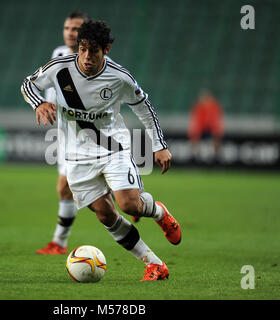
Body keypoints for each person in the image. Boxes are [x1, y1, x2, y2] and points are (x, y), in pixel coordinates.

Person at [21, 20, 181, 281]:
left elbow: (144, 108)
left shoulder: (120, 77)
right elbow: (28, 84)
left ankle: (160, 213)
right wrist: (39, 103)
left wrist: (160, 145)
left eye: (93, 50)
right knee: (106, 215)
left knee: (130, 204)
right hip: (75, 157)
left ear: (105, 50)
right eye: (82, 49)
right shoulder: (60, 69)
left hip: (112, 148)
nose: (86, 57)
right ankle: (155, 265)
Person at [36, 10, 90, 255]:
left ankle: (59, 242)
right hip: (64, 134)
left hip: (86, 135)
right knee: (68, 188)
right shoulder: (58, 54)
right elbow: (48, 85)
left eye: (76, 28)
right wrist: (45, 104)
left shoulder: (90, 61)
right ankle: (133, 200)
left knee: (70, 188)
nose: (71, 32)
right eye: (68, 28)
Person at [188, 89, 224, 158]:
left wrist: (216, 129)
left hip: (211, 127)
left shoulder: (214, 106)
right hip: (201, 127)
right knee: (195, 141)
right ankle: (194, 157)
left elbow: (216, 118)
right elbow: (196, 118)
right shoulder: (199, 106)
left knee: (216, 141)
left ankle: (217, 158)